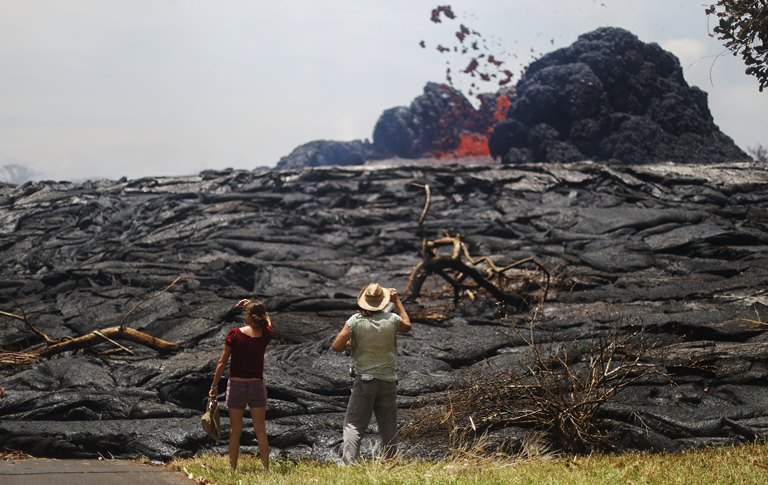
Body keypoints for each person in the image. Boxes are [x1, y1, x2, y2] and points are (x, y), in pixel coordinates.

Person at [331, 283, 412, 464]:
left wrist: (349, 343)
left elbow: (336, 346)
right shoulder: (392, 319)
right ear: (382, 301)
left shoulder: (355, 321)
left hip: (365, 380)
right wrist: (397, 302)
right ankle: (390, 461)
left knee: (354, 424)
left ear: (363, 302)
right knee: (388, 426)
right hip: (388, 380)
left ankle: (349, 463)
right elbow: (407, 325)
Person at [209, 298, 275, 472]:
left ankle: (232, 470)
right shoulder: (265, 334)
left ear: (247, 315)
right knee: (260, 430)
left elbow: (222, 363)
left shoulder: (234, 334)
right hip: (256, 386)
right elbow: (268, 321)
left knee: (235, 431)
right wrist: (255, 305)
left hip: (236, 386)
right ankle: (266, 469)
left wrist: (214, 386)